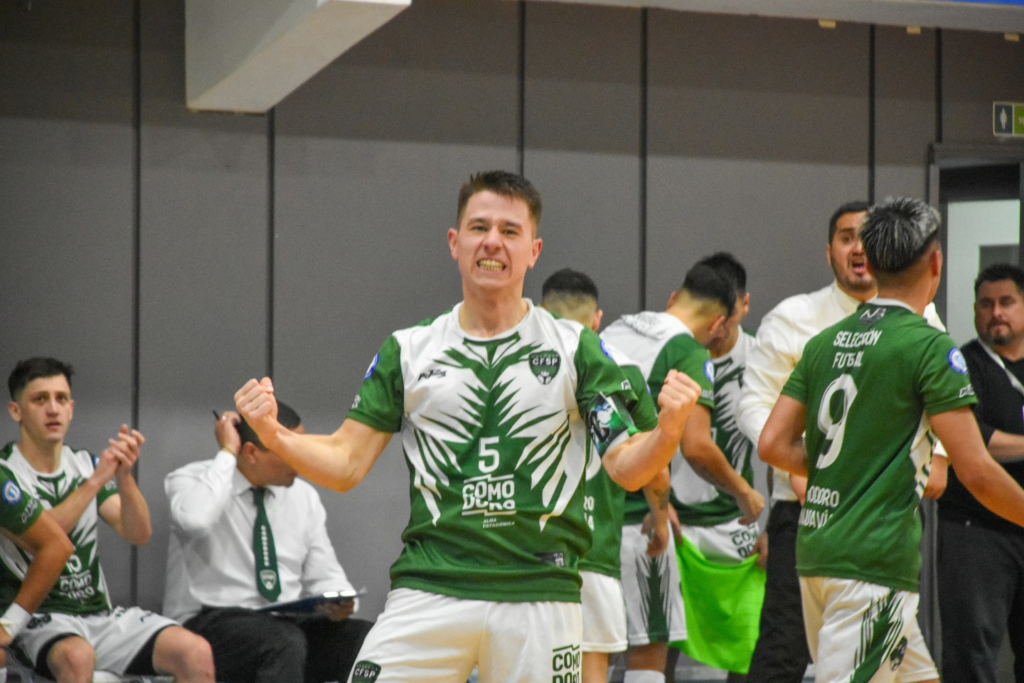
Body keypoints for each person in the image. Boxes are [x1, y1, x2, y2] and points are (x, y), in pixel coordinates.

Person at [234, 171, 702, 683]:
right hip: (429, 588)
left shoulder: (576, 349)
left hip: (539, 592)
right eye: (479, 227)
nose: (492, 241)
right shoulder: (409, 350)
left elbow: (627, 467)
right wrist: (274, 434)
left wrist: (668, 432)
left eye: (509, 230)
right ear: (455, 243)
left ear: (534, 250)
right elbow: (346, 464)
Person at [758, 196, 1024, 683]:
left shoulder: (824, 342)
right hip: (871, 563)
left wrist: (848, 468)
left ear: (874, 264)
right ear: (936, 263)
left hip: (817, 550)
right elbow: (977, 471)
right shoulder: (928, 345)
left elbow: (772, 444)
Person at [737, 201, 947, 683]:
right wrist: (809, 466)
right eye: (846, 237)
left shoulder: (923, 321)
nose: (857, 248)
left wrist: (938, 457)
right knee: (784, 650)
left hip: (886, 514)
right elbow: (756, 410)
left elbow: (941, 409)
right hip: (806, 511)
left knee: (902, 657)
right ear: (829, 250)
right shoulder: (796, 318)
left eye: (865, 238)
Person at [1, 357, 214, 683]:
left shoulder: (85, 464)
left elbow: (138, 533)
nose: (53, 409)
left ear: (72, 408)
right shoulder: (8, 473)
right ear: (16, 411)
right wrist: (97, 481)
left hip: (97, 614)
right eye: (40, 399)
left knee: (195, 652)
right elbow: (46, 540)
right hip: (37, 618)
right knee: (77, 656)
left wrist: (125, 479)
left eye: (61, 399)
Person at [601, 262, 763, 683]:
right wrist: (745, 493)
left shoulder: (616, 329)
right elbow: (696, 447)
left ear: (675, 297)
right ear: (719, 324)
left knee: (593, 656)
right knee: (649, 655)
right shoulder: (689, 351)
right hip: (639, 521)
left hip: (591, 518)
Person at [164, 401, 374, 683]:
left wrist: (341, 601)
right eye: (290, 449)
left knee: (363, 637)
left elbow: (326, 576)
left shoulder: (304, 497)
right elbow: (195, 521)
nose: (304, 459)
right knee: (282, 641)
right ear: (252, 452)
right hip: (206, 624)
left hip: (284, 623)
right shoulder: (193, 479)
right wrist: (228, 451)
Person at [540, 268, 672, 683]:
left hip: (522, 557)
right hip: (592, 552)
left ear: (541, 311)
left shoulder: (520, 361)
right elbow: (655, 465)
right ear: (597, 320)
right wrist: (661, 519)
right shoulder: (619, 365)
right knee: (591, 670)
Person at [667, 252, 763, 683]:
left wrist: (773, 527)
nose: (718, 327)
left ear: (744, 305)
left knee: (747, 649)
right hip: (675, 521)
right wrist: (653, 503)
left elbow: (782, 443)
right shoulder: (672, 351)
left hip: (736, 526)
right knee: (659, 645)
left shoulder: (762, 358)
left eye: (728, 314)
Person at [938, 263, 1024, 683]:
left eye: (1007, 302)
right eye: (986, 304)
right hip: (976, 531)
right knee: (971, 655)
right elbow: (973, 442)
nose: (996, 313)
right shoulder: (961, 365)